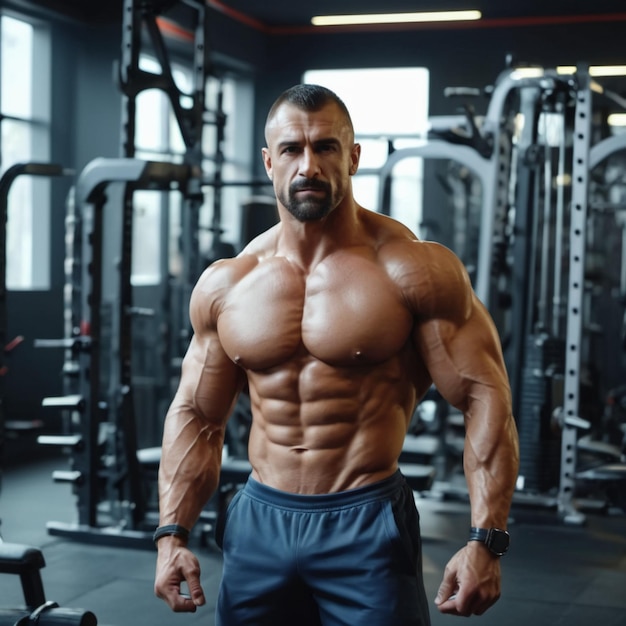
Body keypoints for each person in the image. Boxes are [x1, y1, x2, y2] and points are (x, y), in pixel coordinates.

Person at [154, 84, 520, 625]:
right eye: (291, 150)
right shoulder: (228, 284)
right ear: (268, 161)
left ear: (352, 156)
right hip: (259, 519)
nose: (309, 166)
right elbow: (197, 414)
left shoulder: (413, 270)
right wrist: (171, 534)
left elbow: (484, 396)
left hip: (365, 518)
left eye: (325, 148)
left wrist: (485, 540)